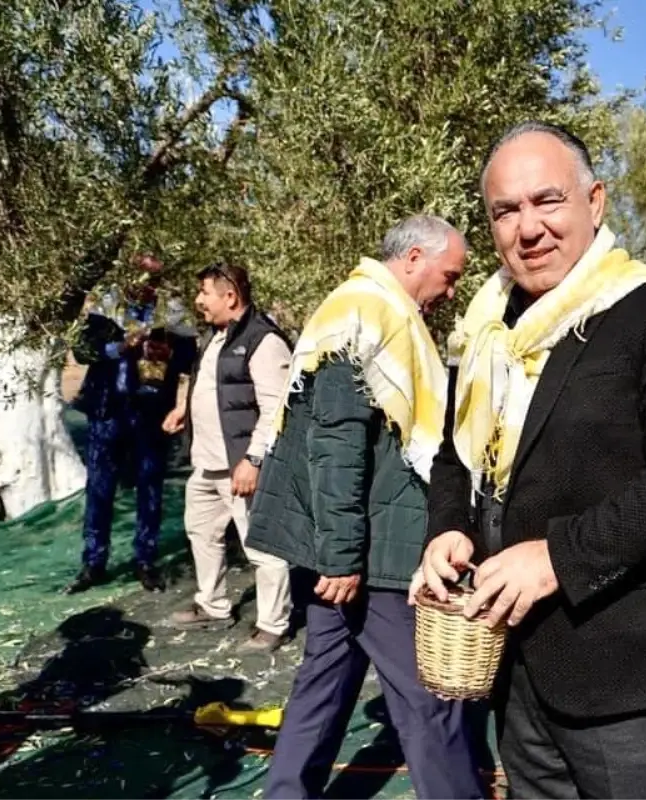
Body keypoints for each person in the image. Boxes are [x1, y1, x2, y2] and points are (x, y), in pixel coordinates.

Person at [416, 121, 646, 799]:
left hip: (622, 664)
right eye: (506, 211)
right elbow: (454, 455)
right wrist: (448, 528)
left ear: (595, 201)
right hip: (510, 655)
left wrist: (557, 558)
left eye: (547, 201)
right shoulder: (486, 328)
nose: (528, 228)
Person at [246, 215, 482, 800]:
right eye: (450, 276)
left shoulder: (379, 312)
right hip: (371, 556)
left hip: (356, 546)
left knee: (324, 683)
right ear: (414, 258)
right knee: (429, 698)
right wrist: (342, 557)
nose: (451, 291)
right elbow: (335, 445)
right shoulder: (364, 315)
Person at [161, 263, 294, 653]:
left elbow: (276, 410)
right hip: (208, 462)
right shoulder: (216, 336)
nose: (198, 301)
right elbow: (215, 383)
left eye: (205, 293)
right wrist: (184, 409)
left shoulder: (263, 341)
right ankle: (213, 605)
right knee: (201, 531)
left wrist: (253, 460)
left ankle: (273, 624)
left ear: (230, 296)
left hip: (240, 465)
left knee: (262, 546)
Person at [66, 255, 197, 594]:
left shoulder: (173, 313)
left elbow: (189, 358)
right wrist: (119, 347)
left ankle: (145, 560)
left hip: (151, 413)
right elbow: (83, 351)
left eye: (153, 278)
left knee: (150, 487)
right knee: (99, 488)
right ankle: (93, 562)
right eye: (141, 277)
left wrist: (168, 353)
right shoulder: (107, 307)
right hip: (107, 411)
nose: (146, 285)